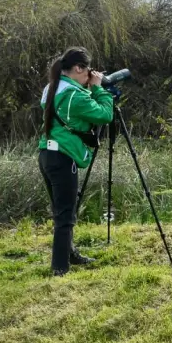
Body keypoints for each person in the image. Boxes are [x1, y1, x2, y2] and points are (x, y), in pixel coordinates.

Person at [39, 47, 114, 276]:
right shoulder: (74, 95)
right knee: (66, 215)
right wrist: (99, 89)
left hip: (46, 154)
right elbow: (105, 115)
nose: (89, 75)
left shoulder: (51, 88)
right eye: (87, 70)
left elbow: (74, 110)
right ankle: (59, 268)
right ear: (79, 68)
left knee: (61, 211)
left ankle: (69, 254)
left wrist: (90, 87)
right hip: (63, 157)